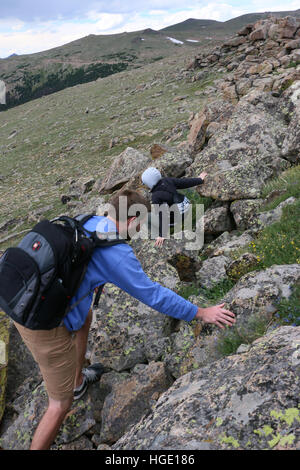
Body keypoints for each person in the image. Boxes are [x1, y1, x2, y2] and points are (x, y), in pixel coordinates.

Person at [13, 189, 235, 450]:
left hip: (23, 290)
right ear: (131, 221)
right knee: (59, 405)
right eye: (141, 222)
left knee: (86, 316)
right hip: (39, 323)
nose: (142, 228)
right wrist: (200, 313)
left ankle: (77, 380)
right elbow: (153, 294)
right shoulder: (116, 253)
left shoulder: (88, 220)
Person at [141, 167, 207, 247]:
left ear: (149, 183)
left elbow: (162, 215)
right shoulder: (168, 180)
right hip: (186, 208)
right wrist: (199, 179)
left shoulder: (156, 196)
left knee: (146, 217)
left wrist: (162, 234)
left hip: (177, 218)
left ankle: (157, 234)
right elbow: (184, 182)